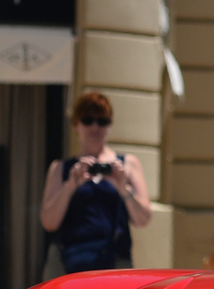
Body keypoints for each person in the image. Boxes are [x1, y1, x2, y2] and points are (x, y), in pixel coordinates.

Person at [40, 92, 152, 276]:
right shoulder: (60, 168)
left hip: (114, 262)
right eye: (87, 120)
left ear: (110, 125)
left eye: (102, 121)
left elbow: (143, 220)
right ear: (76, 125)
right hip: (67, 262)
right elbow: (49, 223)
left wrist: (123, 188)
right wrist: (70, 186)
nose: (95, 128)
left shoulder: (128, 164)